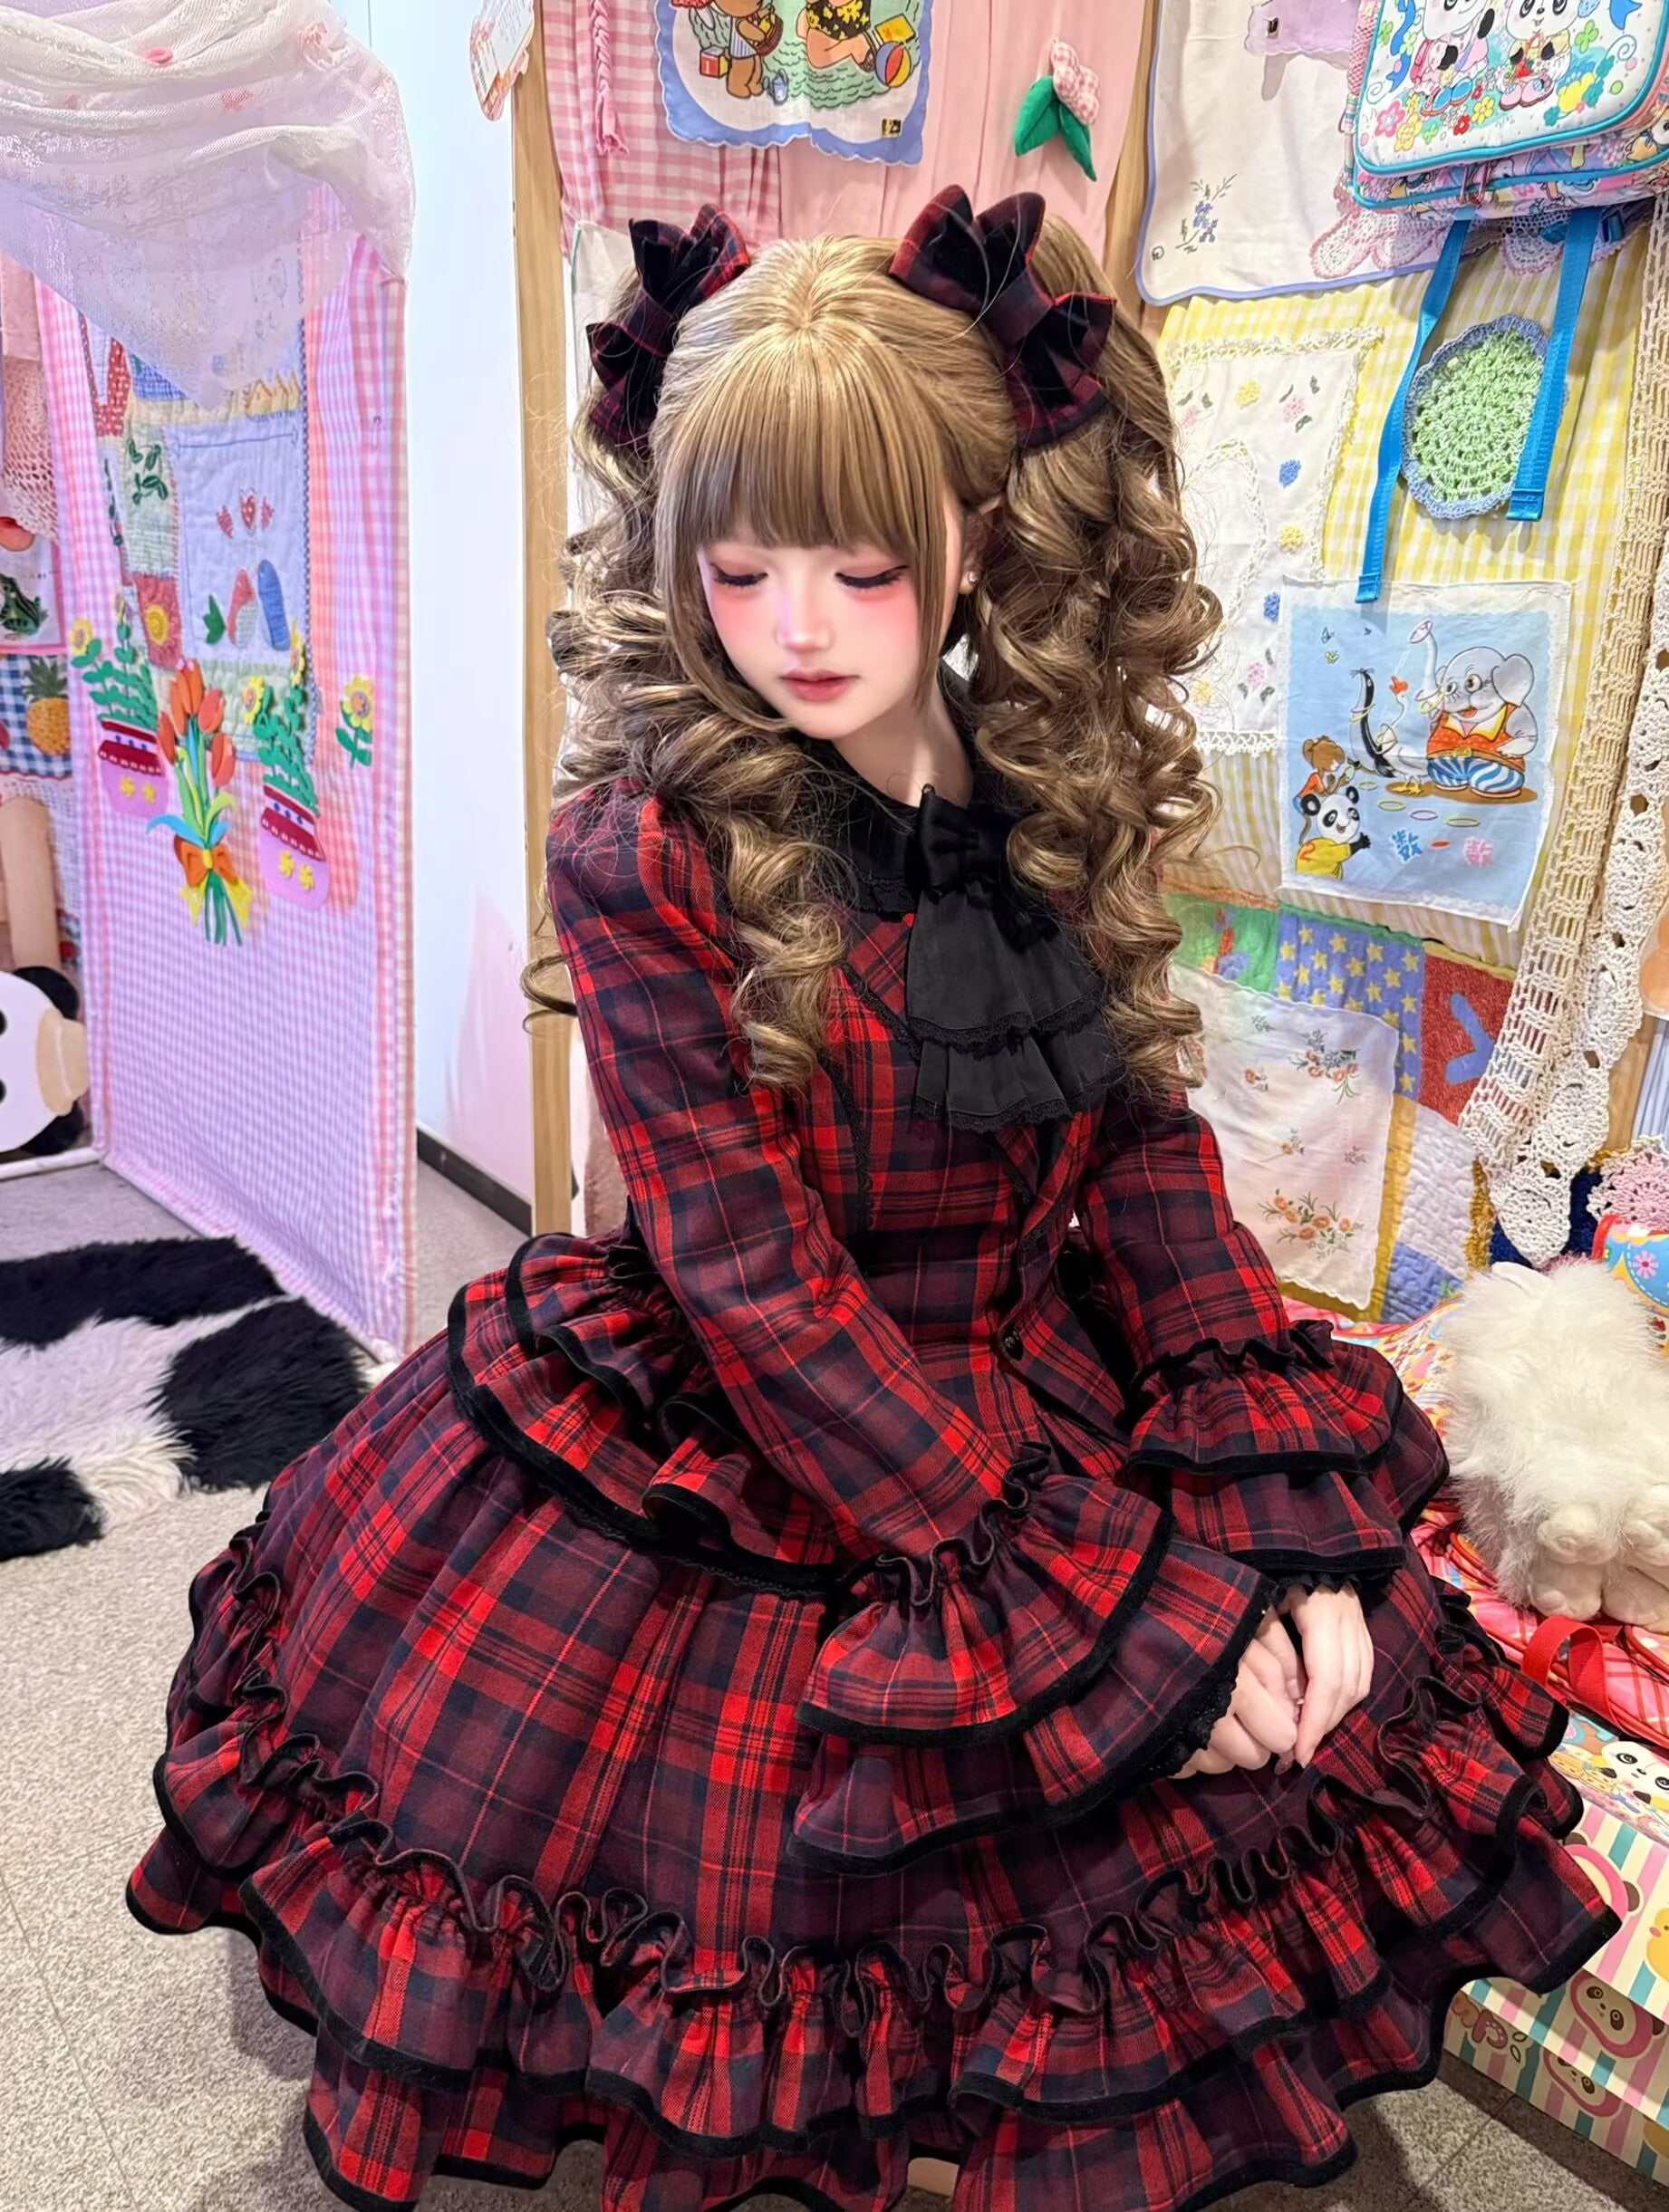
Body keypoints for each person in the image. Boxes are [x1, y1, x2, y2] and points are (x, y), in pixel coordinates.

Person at [127, 188, 1615, 2212]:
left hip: (1012, 1360)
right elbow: (751, 1281)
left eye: (862, 565)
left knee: (1265, 1746)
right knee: (785, 1890)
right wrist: (1116, 1630)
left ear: (977, 538)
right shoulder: (644, 847)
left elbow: (1145, 1159)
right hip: (753, 1418)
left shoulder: (1044, 790)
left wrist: (1283, 1529)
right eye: (738, 570)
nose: (798, 628)